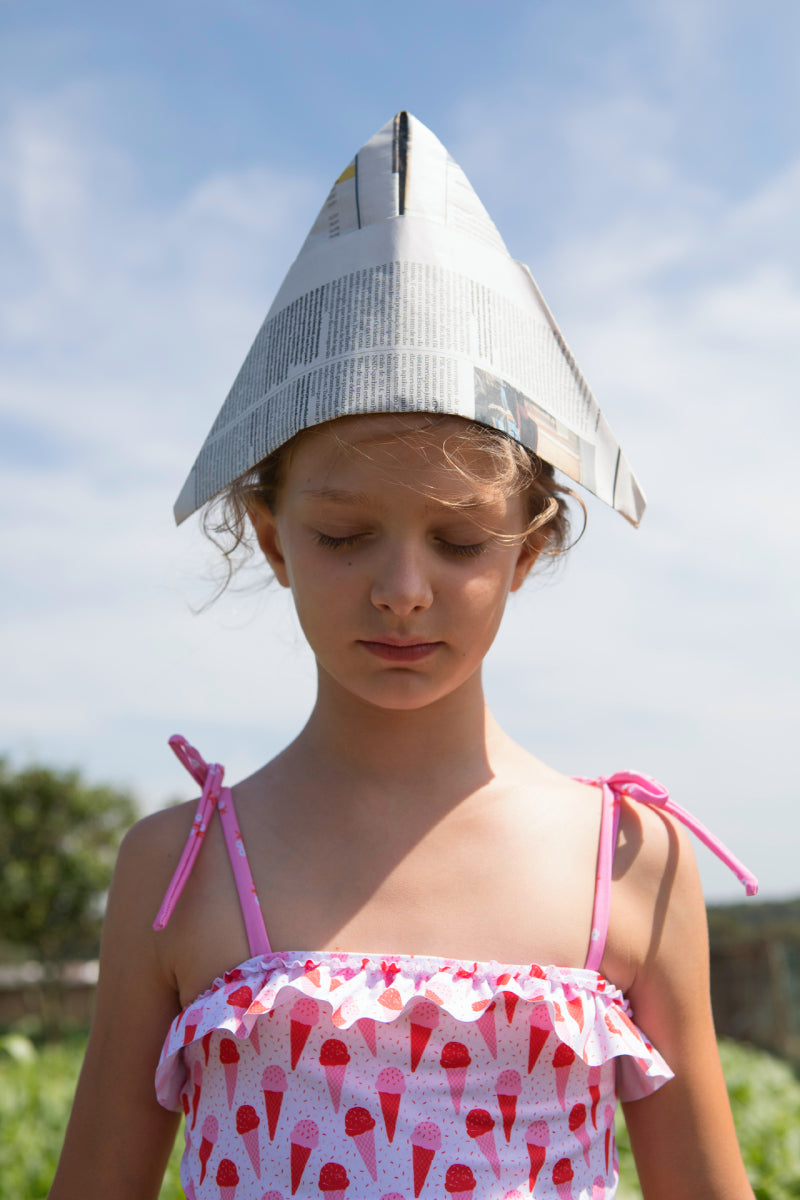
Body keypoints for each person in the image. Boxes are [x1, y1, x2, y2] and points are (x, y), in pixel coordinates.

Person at [50, 115, 757, 1200]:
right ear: (272, 536)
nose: (402, 589)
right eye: (342, 537)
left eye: (459, 540)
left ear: (528, 551)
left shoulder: (634, 863)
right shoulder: (178, 867)